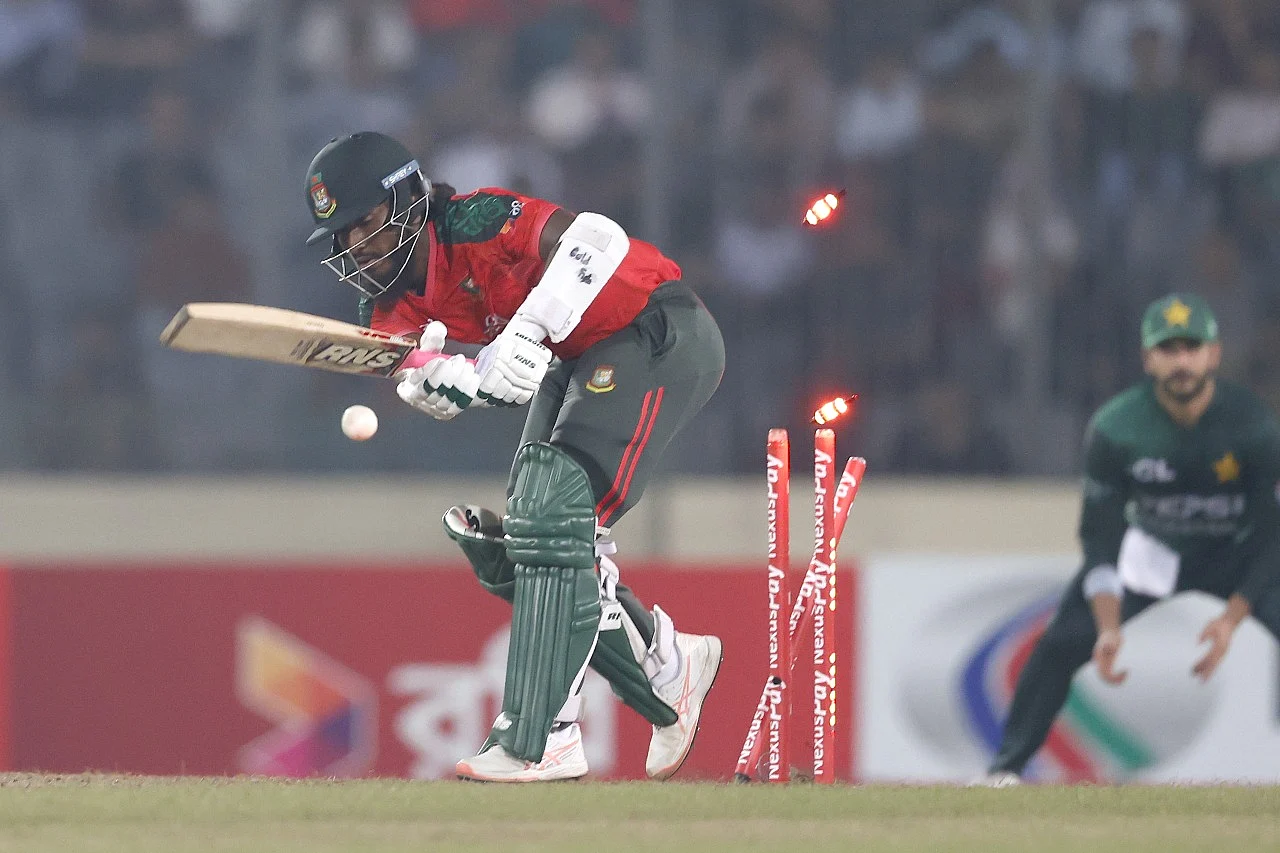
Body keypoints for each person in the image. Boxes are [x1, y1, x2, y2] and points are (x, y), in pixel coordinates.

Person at [302, 131, 726, 782]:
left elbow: (598, 241)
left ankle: (541, 739)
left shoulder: (473, 220)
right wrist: (437, 385)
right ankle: (667, 663)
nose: (360, 246)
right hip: (577, 357)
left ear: (408, 200)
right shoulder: (386, 307)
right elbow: (421, 368)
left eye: (368, 223)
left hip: (653, 326)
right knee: (527, 534)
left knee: (553, 510)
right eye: (345, 235)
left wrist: (527, 329)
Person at [980, 293, 1280, 785]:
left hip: (1238, 553)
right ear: (1147, 359)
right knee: (1057, 646)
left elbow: (1271, 534)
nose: (1181, 362)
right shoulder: (1117, 428)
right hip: (1152, 555)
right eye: (1168, 350)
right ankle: (1004, 772)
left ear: (1213, 354)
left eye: (1191, 348)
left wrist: (1231, 619)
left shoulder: (1254, 425)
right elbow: (1100, 536)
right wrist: (1107, 627)